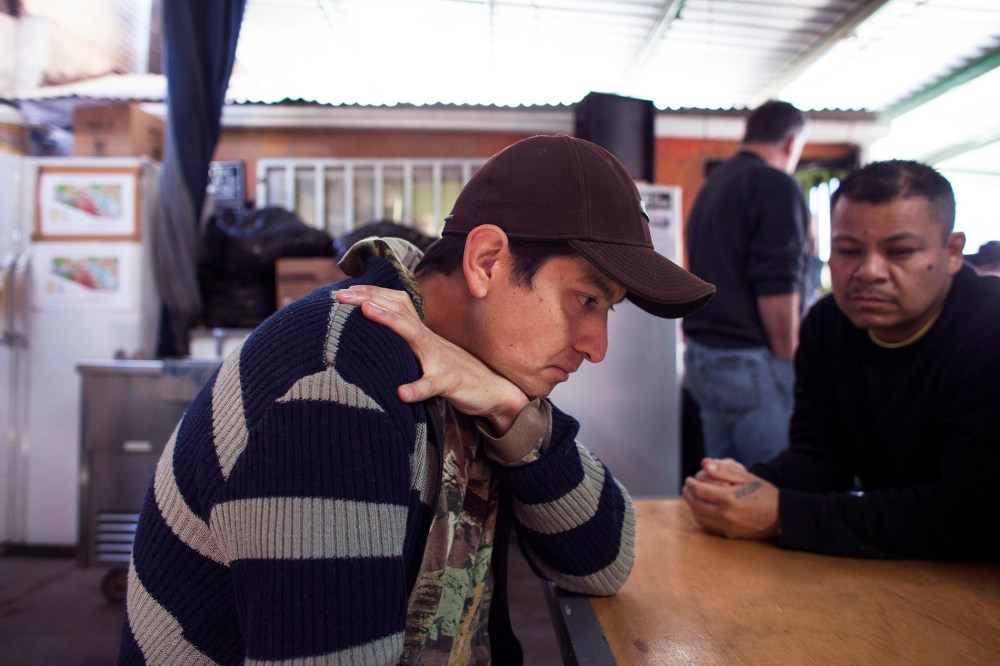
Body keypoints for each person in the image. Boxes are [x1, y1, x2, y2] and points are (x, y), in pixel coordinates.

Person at [117, 134, 716, 664]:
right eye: (586, 299)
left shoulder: (472, 367)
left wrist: (511, 411)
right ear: (486, 262)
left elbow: (603, 561)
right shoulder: (336, 384)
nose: (597, 346)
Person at [682, 159, 1000, 560]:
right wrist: (741, 485)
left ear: (953, 252)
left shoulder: (989, 332)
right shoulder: (828, 325)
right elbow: (821, 458)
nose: (869, 272)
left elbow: (972, 513)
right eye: (848, 250)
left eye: (899, 251)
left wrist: (783, 514)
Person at [681, 100, 811, 466]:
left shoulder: (714, 185)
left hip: (703, 359)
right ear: (790, 143)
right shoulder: (775, 184)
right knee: (775, 485)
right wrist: (789, 364)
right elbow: (777, 283)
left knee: (724, 485)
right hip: (750, 363)